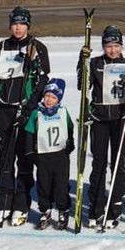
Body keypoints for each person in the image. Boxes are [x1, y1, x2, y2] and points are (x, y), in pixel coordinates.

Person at [0, 6, 50, 228]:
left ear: (28, 25)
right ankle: (3, 204)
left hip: (26, 110)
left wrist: (29, 106)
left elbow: (42, 81)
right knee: (5, 159)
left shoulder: (37, 47)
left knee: (24, 159)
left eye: (22, 24)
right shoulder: (2, 46)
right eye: (15, 24)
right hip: (4, 109)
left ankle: (21, 205)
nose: (18, 28)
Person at [77, 25, 125, 229]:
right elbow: (82, 85)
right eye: (108, 46)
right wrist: (83, 61)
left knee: (118, 164)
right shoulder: (96, 63)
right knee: (99, 163)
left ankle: (115, 206)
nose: (112, 50)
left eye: (116, 46)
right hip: (100, 119)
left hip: (120, 119)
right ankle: (96, 207)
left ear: (121, 46)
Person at [23, 79, 74, 230]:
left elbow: (70, 128)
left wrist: (70, 143)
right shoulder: (36, 114)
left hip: (60, 156)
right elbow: (30, 132)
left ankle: (63, 210)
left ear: (59, 99)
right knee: (43, 186)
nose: (49, 100)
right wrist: (30, 152)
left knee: (61, 186)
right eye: (47, 96)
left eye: (53, 97)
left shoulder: (63, 112)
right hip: (43, 156)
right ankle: (45, 210)